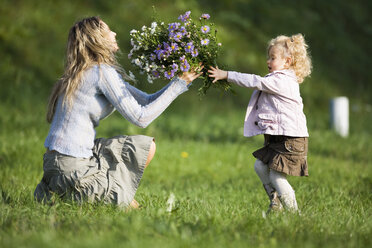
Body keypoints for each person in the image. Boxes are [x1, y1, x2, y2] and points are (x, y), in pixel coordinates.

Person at [34, 16, 202, 209]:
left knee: (142, 146)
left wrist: (180, 82)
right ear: (98, 39)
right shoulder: (101, 72)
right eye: (109, 31)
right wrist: (180, 83)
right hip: (72, 167)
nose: (114, 34)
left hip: (55, 164)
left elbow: (146, 100)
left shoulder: (85, 71)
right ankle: (80, 193)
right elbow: (141, 118)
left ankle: (68, 191)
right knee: (132, 206)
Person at [208, 34, 312, 213]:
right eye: (268, 57)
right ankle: (275, 201)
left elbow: (255, 81)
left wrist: (226, 75)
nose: (268, 61)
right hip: (278, 138)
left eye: (273, 58)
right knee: (259, 166)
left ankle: (295, 214)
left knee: (277, 176)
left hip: (291, 140)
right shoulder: (279, 78)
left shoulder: (282, 81)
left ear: (287, 62)